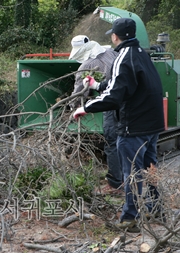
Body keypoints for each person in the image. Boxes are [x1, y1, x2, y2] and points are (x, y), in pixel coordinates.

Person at [73, 18, 164, 232]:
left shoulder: (123, 57)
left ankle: (129, 220)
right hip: (152, 126)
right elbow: (121, 83)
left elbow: (114, 96)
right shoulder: (141, 54)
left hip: (134, 127)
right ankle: (155, 207)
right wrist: (96, 85)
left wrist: (85, 107)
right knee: (150, 169)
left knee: (131, 173)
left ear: (115, 36)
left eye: (112, 34)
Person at [69, 35, 123, 195]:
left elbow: (79, 91)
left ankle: (115, 184)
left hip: (110, 104)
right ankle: (129, 177)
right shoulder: (110, 52)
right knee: (125, 141)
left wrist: (74, 107)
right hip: (126, 102)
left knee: (111, 142)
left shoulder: (86, 65)